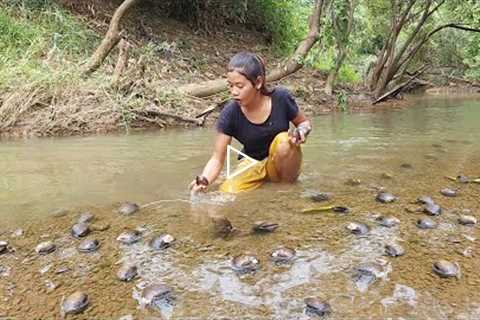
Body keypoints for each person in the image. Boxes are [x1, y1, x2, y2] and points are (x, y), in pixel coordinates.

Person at [189, 52, 312, 194]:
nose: (234, 92)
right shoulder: (230, 112)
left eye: (240, 86)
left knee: (284, 141)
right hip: (251, 163)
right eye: (230, 86)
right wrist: (204, 179)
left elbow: (304, 123)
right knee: (227, 191)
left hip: (283, 160)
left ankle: (284, 194)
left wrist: (301, 131)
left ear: (258, 82)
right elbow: (217, 158)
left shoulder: (281, 98)